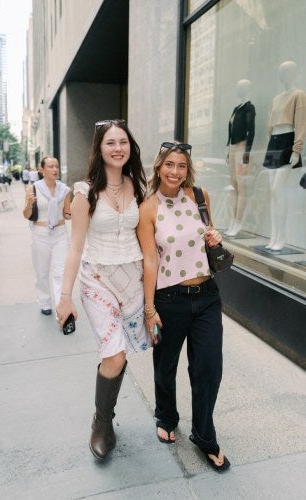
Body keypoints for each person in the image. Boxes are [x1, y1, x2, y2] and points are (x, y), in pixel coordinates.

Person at [56, 119, 150, 460]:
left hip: (133, 280)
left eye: (123, 142)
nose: (118, 148)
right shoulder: (84, 193)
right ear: (99, 148)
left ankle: (106, 417)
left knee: (120, 352)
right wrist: (65, 298)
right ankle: (102, 421)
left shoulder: (137, 186)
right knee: (114, 353)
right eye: (110, 143)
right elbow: (75, 248)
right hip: (97, 280)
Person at [137, 141, 230, 472]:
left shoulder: (201, 197)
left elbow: (207, 239)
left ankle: (205, 435)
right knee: (165, 366)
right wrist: (150, 309)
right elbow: (150, 259)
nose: (175, 171)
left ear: (186, 169)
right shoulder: (148, 208)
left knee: (208, 369)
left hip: (206, 295)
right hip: (169, 299)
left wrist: (214, 239)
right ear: (159, 167)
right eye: (169, 165)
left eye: (181, 166)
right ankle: (166, 415)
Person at [263, 61, 306, 251]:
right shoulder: (276, 98)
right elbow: (270, 124)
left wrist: (297, 149)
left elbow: (301, 124)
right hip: (274, 142)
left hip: (288, 140)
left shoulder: (299, 95)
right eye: (280, 71)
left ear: (295, 73)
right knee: (272, 193)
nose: (283, 74)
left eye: (286, 71)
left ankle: (282, 235)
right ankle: (274, 235)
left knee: (277, 190)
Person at [23, 156, 71, 315]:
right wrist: (29, 203)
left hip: (60, 233)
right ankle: (44, 303)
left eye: (56, 166)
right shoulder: (33, 189)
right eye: (50, 166)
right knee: (42, 272)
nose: (55, 169)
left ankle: (61, 306)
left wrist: (78, 208)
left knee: (61, 272)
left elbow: (67, 213)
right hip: (40, 234)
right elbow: (26, 214)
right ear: (42, 170)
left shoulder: (64, 189)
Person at [225, 79, 256, 236]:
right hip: (232, 147)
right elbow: (231, 130)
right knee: (233, 186)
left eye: (241, 87)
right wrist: (227, 147)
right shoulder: (237, 108)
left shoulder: (249, 108)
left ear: (247, 88)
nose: (238, 89)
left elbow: (251, 131)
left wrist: (247, 152)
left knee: (242, 186)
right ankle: (232, 220)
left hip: (242, 146)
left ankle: (239, 221)